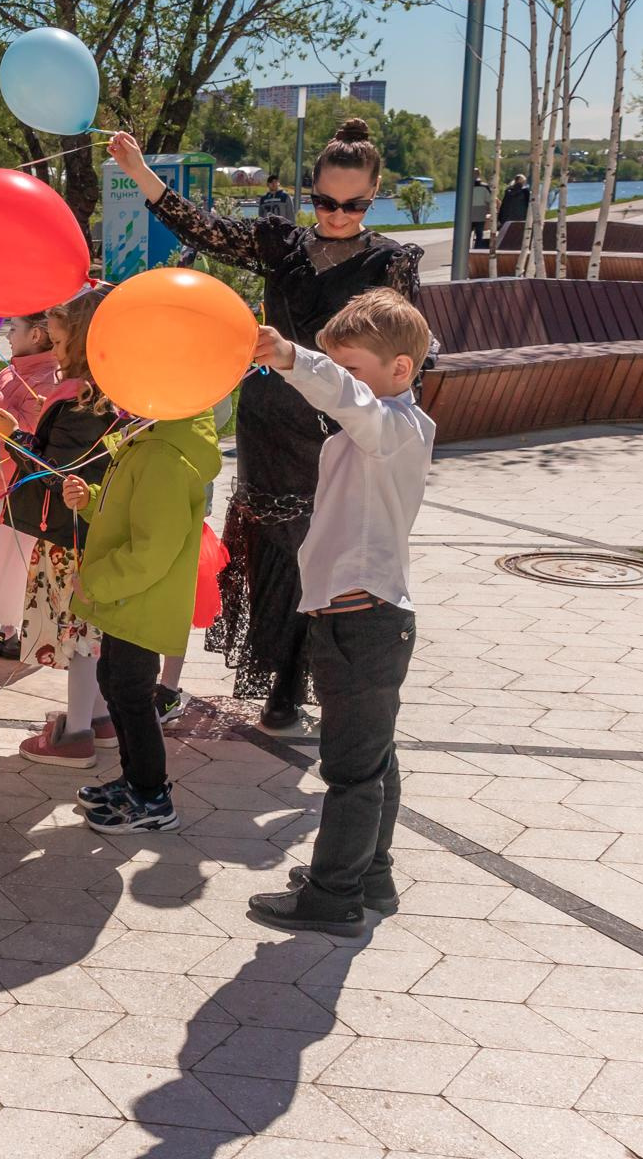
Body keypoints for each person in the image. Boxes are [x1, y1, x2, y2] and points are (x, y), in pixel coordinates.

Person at [118, 121, 422, 734]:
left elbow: (413, 348)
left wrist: (395, 428)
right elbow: (204, 228)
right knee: (272, 559)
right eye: (327, 202)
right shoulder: (280, 244)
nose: (339, 215)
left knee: (318, 553)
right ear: (311, 190)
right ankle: (282, 679)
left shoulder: (392, 261)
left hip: (335, 428)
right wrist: (139, 173)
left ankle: (303, 682)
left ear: (375, 194)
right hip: (267, 422)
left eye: (354, 204)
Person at [245, 290, 434, 935]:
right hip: (364, 618)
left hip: (361, 620)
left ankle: (333, 896)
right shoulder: (382, 433)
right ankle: (367, 875)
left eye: (355, 368)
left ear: (400, 370)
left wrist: (295, 358)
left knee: (351, 770)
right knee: (372, 758)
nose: (348, 383)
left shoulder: (395, 428)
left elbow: (351, 403)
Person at [59, 401, 222, 836]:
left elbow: (153, 549)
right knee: (114, 680)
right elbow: (128, 513)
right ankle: (134, 781)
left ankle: (152, 796)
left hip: (140, 599)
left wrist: (97, 583)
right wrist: (92, 500)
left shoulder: (161, 455)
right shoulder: (145, 442)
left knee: (132, 692)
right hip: (129, 599)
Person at [11, 290, 125, 768]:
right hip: (93, 530)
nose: (53, 353)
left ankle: (75, 734)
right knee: (91, 634)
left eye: (59, 343)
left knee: (79, 636)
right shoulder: (112, 394)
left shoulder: (83, 403)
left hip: (74, 536)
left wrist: (12, 436)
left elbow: (56, 471)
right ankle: (98, 718)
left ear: (81, 343)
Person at [0, 312, 60, 659]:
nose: (7, 336)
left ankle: (23, 626)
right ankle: (7, 626)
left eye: (15, 328)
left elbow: (24, 431)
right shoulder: (14, 369)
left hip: (19, 485)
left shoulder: (47, 378)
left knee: (19, 566)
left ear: (36, 334)